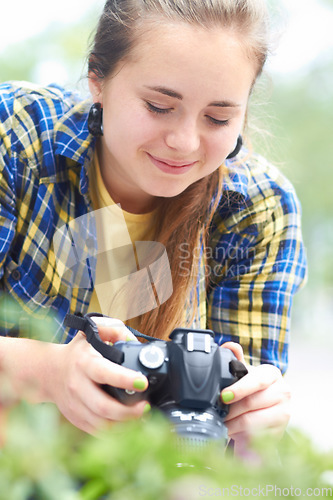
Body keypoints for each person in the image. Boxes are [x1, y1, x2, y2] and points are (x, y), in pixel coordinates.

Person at [0, 0, 306, 455]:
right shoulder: (17, 136)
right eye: (159, 106)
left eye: (218, 118)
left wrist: (254, 425)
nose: (184, 142)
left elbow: (235, 451)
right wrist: (46, 371)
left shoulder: (258, 209)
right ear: (97, 79)